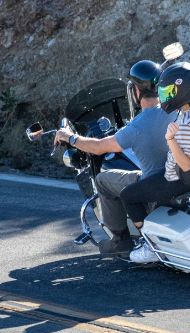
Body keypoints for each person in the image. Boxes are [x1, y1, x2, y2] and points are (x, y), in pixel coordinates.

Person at [54, 60, 178, 257]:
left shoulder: (136, 126)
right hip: (179, 177)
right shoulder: (177, 111)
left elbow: (98, 147)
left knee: (103, 180)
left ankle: (120, 239)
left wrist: (69, 137)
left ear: (136, 91)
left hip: (154, 185)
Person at [120, 62, 190, 263]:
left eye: (169, 91)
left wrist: (171, 140)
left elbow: (185, 165)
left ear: (182, 92)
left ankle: (150, 246)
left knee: (128, 196)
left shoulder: (184, 124)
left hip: (180, 179)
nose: (164, 95)